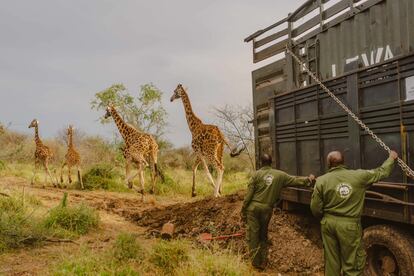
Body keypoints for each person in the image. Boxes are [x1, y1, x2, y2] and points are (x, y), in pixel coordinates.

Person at [310, 150, 397, 276]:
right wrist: (391, 158)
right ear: (343, 162)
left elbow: (315, 208)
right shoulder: (359, 176)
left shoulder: (322, 181)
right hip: (349, 226)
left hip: (328, 224)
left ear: (328, 163)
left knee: (332, 262)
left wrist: (325, 218)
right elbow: (381, 172)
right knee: (352, 264)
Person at [241, 153, 315, 270]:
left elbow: (248, 196)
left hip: (253, 209)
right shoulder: (280, 175)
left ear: (261, 163)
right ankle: (264, 261)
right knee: (263, 235)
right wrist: (309, 180)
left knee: (253, 235)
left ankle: (256, 263)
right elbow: (295, 180)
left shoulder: (256, 175)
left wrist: (243, 211)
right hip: (267, 209)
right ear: (271, 162)